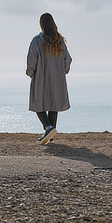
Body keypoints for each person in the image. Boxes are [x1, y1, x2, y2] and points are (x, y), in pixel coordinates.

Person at [26, 13, 72, 145]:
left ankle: (48, 128)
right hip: (57, 79)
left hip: (41, 77)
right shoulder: (60, 41)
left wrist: (30, 72)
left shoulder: (37, 41)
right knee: (53, 104)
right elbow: (67, 60)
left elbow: (31, 59)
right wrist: (63, 72)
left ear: (41, 24)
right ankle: (49, 135)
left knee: (37, 103)